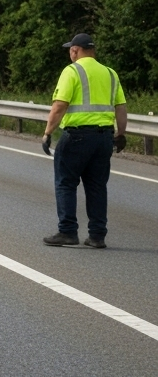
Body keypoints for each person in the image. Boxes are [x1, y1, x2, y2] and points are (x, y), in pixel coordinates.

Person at [41, 33, 128, 249]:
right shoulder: (110, 73)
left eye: (71, 49)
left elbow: (60, 105)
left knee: (66, 183)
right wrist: (121, 134)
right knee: (97, 186)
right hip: (104, 138)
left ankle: (68, 231)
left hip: (77, 136)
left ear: (75, 50)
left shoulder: (72, 71)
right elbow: (121, 107)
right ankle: (97, 236)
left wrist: (47, 132)